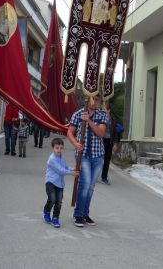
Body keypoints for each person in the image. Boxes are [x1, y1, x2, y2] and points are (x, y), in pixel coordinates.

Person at [67, 94, 107, 227]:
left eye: (97, 99)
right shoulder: (78, 113)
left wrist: (89, 121)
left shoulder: (101, 115)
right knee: (85, 184)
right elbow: (70, 132)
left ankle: (85, 213)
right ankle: (78, 215)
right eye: (92, 99)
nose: (94, 102)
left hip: (97, 155)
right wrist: (76, 144)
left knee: (90, 187)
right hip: (82, 154)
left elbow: (101, 133)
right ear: (87, 99)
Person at [43, 137, 79, 228]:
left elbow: (65, 167)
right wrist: (71, 173)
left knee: (59, 201)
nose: (59, 150)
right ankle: (47, 211)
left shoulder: (62, 157)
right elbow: (60, 170)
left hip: (60, 184)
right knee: (52, 199)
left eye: (61, 148)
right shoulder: (52, 159)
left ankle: (55, 218)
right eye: (57, 148)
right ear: (53, 148)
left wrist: (73, 169)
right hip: (51, 182)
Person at [101, 102, 118, 185]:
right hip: (101, 140)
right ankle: (94, 175)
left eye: (104, 109)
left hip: (109, 141)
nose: (103, 110)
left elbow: (115, 132)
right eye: (103, 109)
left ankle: (104, 177)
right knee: (99, 159)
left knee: (107, 160)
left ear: (109, 110)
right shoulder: (100, 117)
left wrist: (115, 143)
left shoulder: (113, 119)